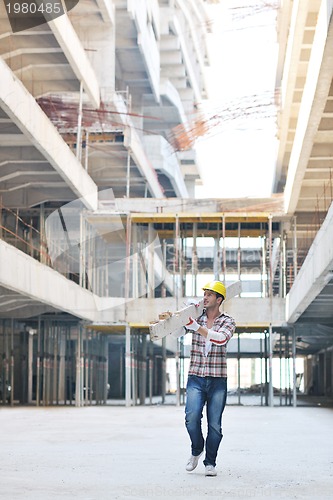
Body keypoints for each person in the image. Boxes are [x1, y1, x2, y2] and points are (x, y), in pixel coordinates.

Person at [184, 280, 235, 477]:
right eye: (204, 294)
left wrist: (195, 326)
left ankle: (210, 462)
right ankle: (197, 449)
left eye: (209, 295)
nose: (205, 297)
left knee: (215, 424)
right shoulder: (196, 317)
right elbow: (178, 332)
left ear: (219, 299)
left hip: (217, 380)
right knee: (191, 418)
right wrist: (182, 317)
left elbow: (220, 338)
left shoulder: (228, 321)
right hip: (195, 376)